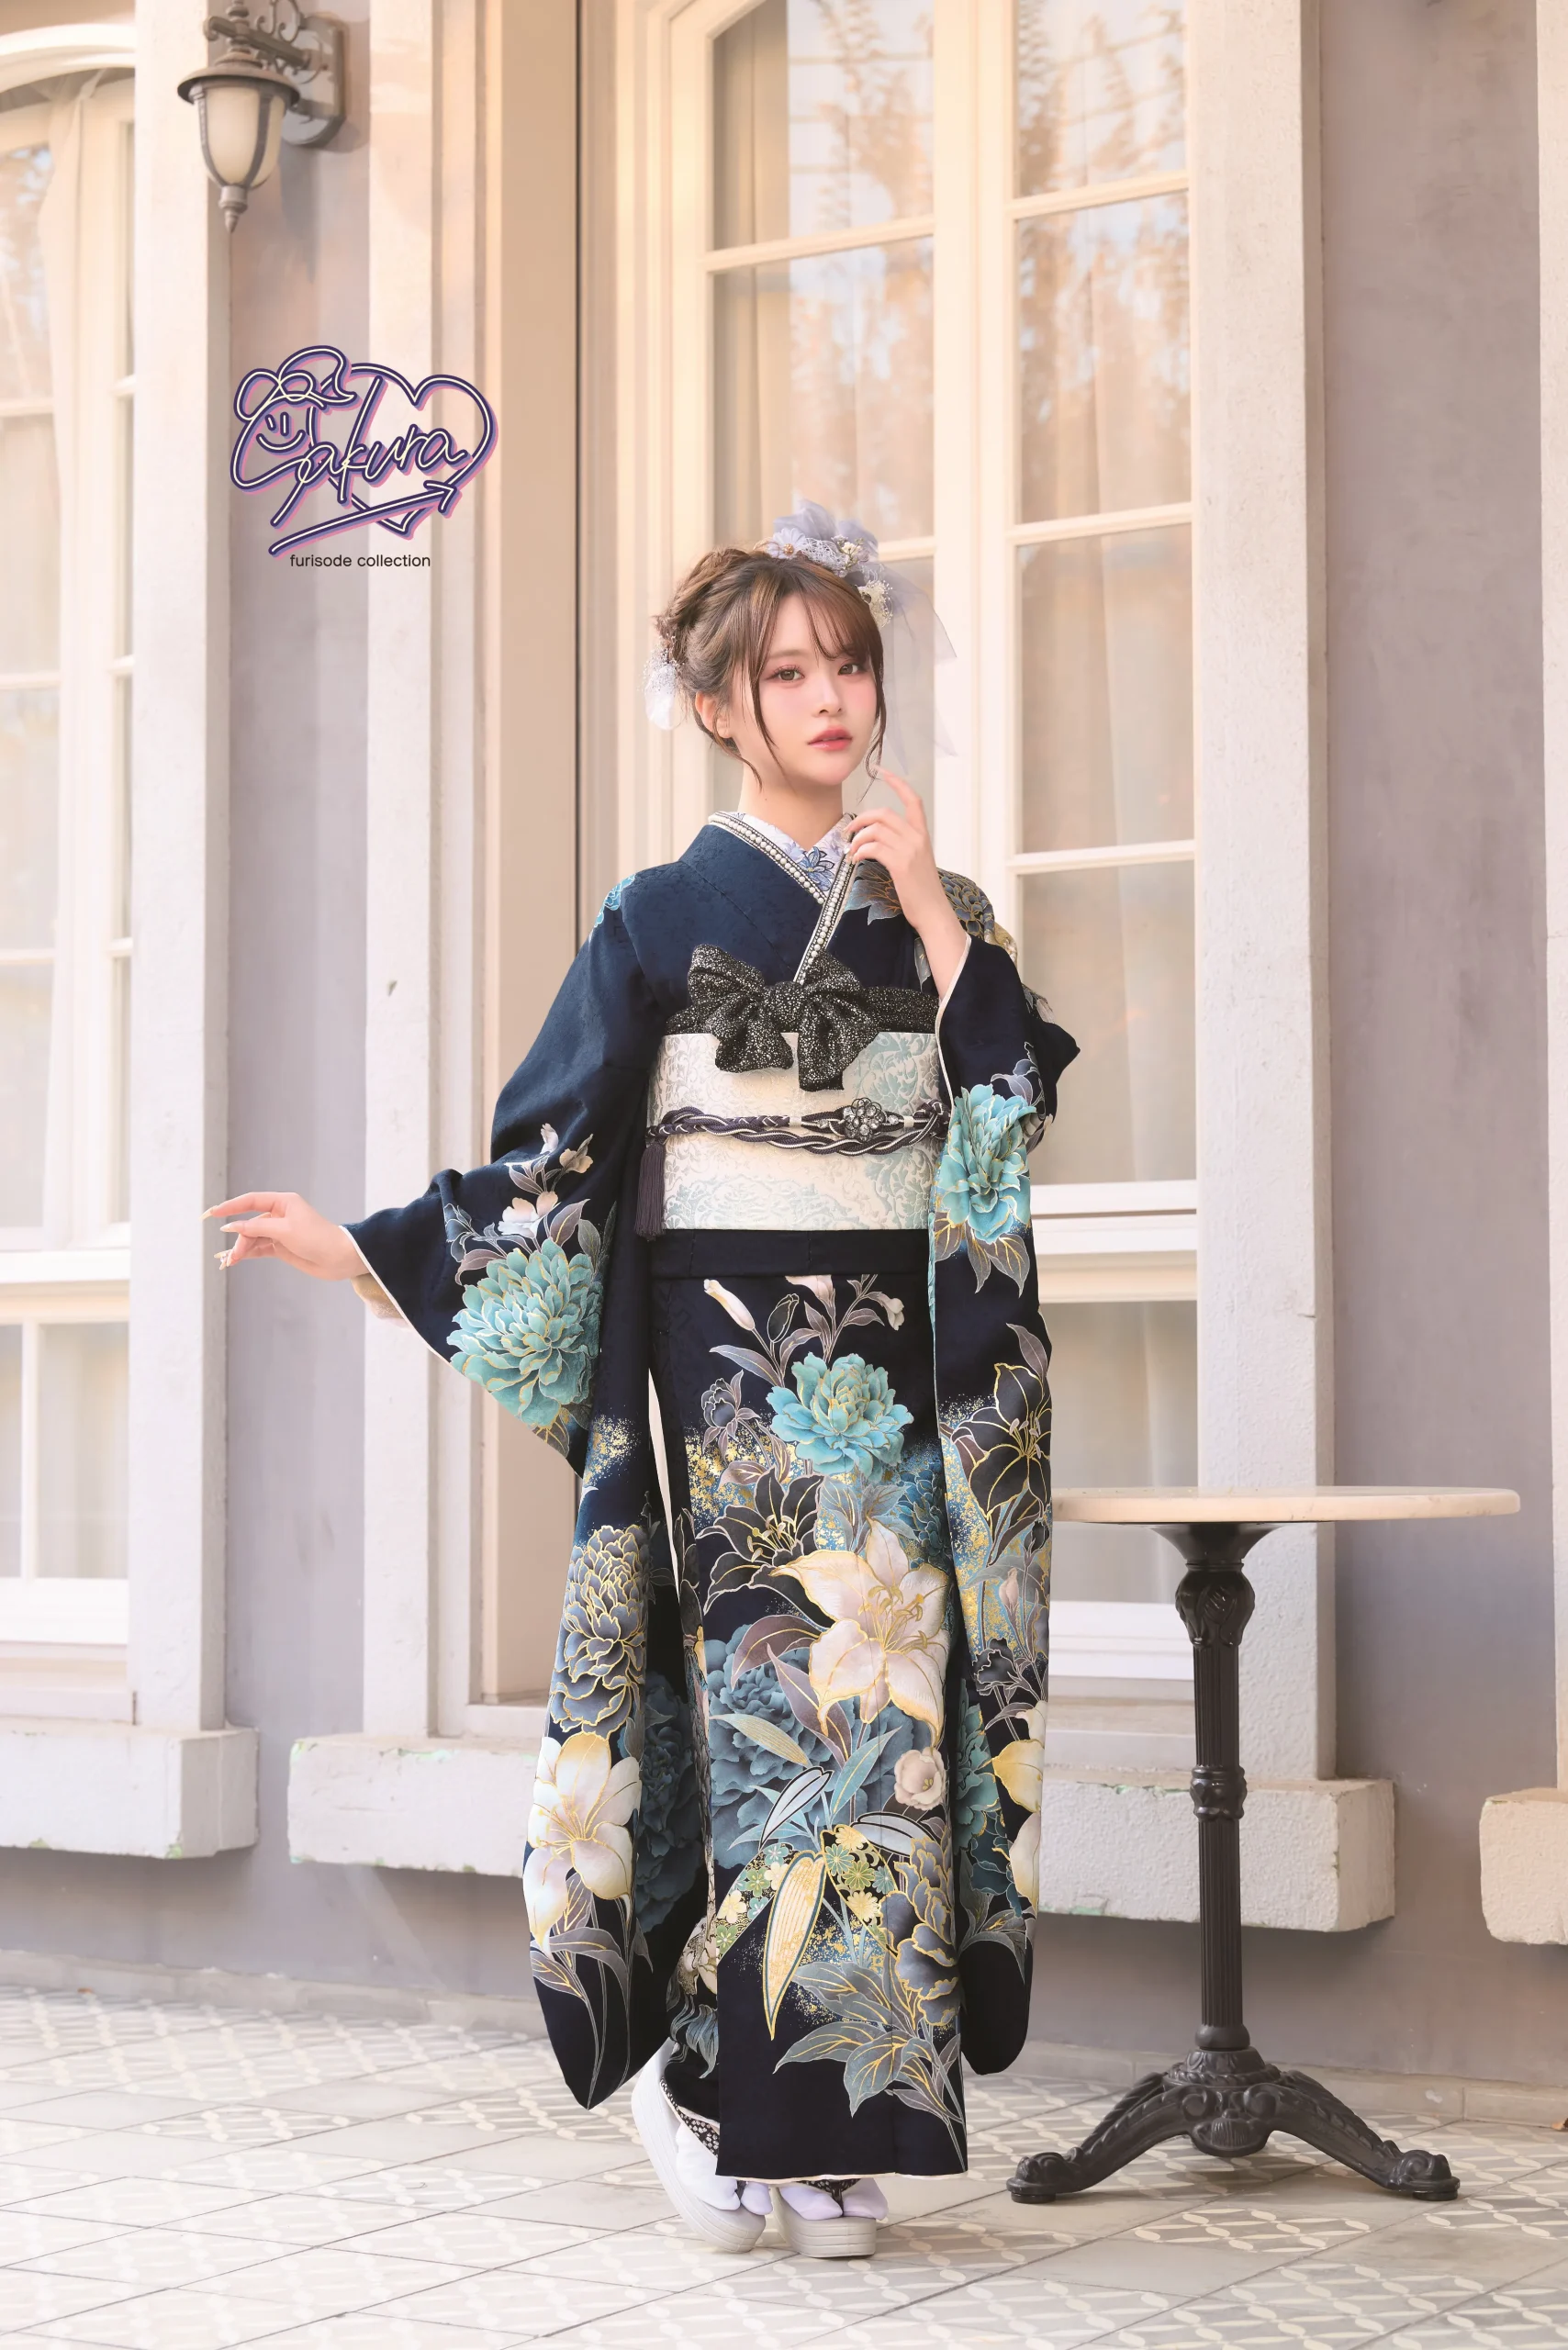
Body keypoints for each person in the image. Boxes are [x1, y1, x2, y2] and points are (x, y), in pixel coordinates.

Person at [208, 508, 1076, 2260]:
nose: (831, 699)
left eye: (851, 667)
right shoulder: (662, 914)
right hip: (737, 1373)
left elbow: (1004, 1114)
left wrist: (927, 902)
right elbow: (553, 1159)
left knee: (890, 1733)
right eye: (790, 673)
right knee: (769, 1725)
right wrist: (365, 1248)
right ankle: (725, 2099)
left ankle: (838, 2122)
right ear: (716, 708)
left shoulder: (942, 914)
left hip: (900, 1370)